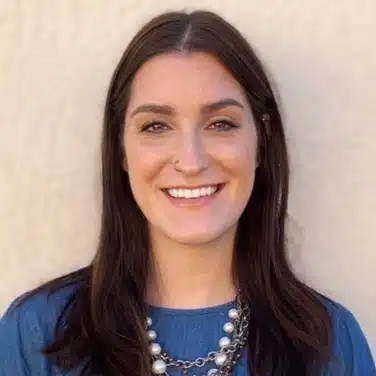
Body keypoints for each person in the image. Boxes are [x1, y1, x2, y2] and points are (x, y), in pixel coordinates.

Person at [0, 9, 374, 376]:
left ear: (262, 141)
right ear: (120, 149)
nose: (191, 161)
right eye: (156, 126)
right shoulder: (38, 335)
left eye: (221, 123)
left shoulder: (330, 344)